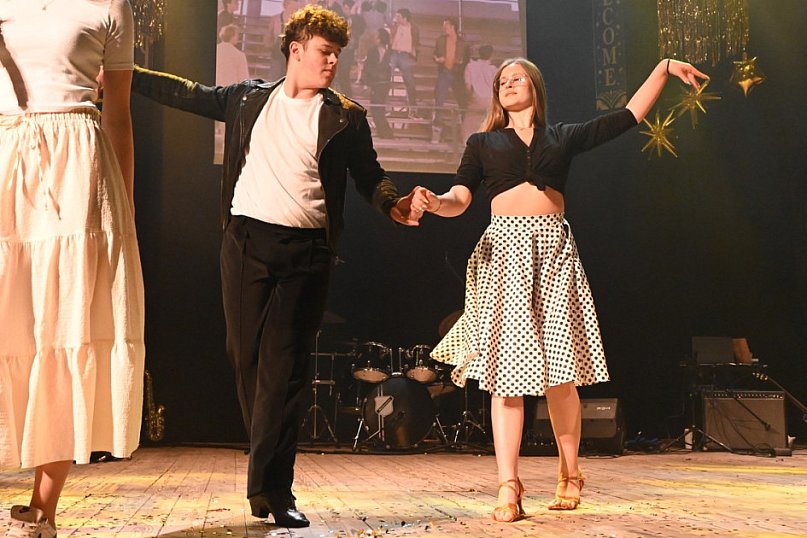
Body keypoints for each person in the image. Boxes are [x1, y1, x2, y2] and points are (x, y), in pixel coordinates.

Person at [130, 4, 424, 529]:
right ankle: (267, 471)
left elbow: (370, 175)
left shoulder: (346, 116)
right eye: (324, 52)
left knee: (283, 370)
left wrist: (392, 204)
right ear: (296, 49)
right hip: (246, 243)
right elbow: (188, 93)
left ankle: (272, 488)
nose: (332, 62)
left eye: (337, 55)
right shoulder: (248, 99)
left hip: (307, 253)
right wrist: (122, 72)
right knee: (246, 359)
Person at [413, 56, 707, 522]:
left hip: (553, 254)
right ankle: (508, 485)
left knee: (559, 375)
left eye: (517, 77)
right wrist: (435, 203)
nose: (508, 83)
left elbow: (628, 116)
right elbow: (461, 198)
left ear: (535, 86)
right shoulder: (482, 142)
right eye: (502, 80)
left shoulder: (561, 136)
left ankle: (570, 472)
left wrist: (664, 68)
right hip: (504, 257)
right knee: (504, 377)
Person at [0, 1, 143, 537]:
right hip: (7, 152)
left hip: (78, 167)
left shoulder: (110, 5)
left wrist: (124, 212)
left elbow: (119, 114)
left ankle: (42, 511)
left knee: (64, 327)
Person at [461, 44, 496, 141]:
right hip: (490, 101)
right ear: (491, 55)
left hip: (476, 99)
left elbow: (468, 86)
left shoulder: (470, 66)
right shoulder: (493, 69)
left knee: (469, 127)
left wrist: (469, 98)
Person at [389, 8, 419, 117]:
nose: (396, 18)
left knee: (410, 83)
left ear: (405, 18)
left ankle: (413, 110)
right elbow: (388, 38)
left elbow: (416, 43)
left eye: (398, 16)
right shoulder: (394, 26)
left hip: (405, 55)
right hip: (393, 53)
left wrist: (414, 55)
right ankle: (385, 108)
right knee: (385, 79)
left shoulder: (413, 28)